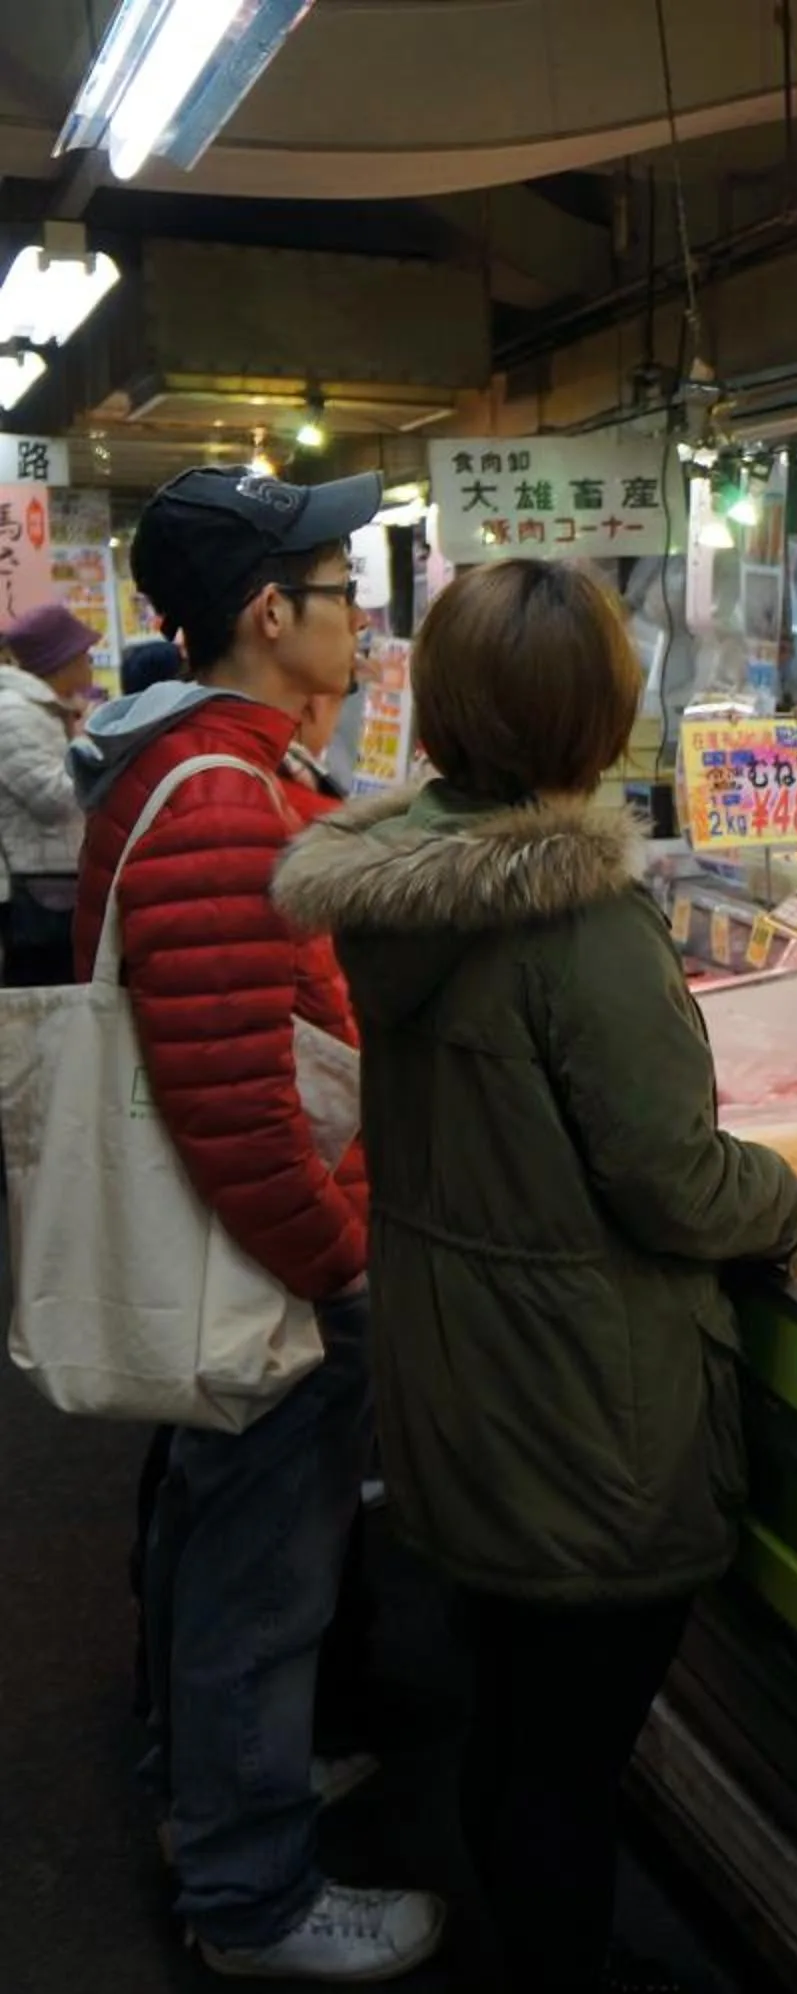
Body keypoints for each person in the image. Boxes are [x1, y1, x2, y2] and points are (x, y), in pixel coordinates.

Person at [274, 558, 797, 1993]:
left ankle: (532, 1949)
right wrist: (793, 1198)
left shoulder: (398, 891)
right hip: (587, 1405)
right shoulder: (575, 921)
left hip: (462, 1373)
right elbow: (675, 1178)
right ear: (600, 719)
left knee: (509, 1719)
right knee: (567, 1758)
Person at [72, 464, 444, 1980]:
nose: (363, 611)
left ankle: (222, 1781)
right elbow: (239, 1116)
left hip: (252, 1263)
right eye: (341, 585)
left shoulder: (236, 767)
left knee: (212, 1547)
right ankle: (252, 1895)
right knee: (259, 1583)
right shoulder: (224, 805)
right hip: (265, 1270)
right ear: (263, 610)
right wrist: (347, 1271)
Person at [0, 602, 95, 985]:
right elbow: (52, 798)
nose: (90, 661)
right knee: (45, 1000)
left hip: (52, 879)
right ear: (63, 659)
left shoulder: (46, 710)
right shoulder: (16, 714)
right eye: (83, 653)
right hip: (37, 887)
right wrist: (97, 756)